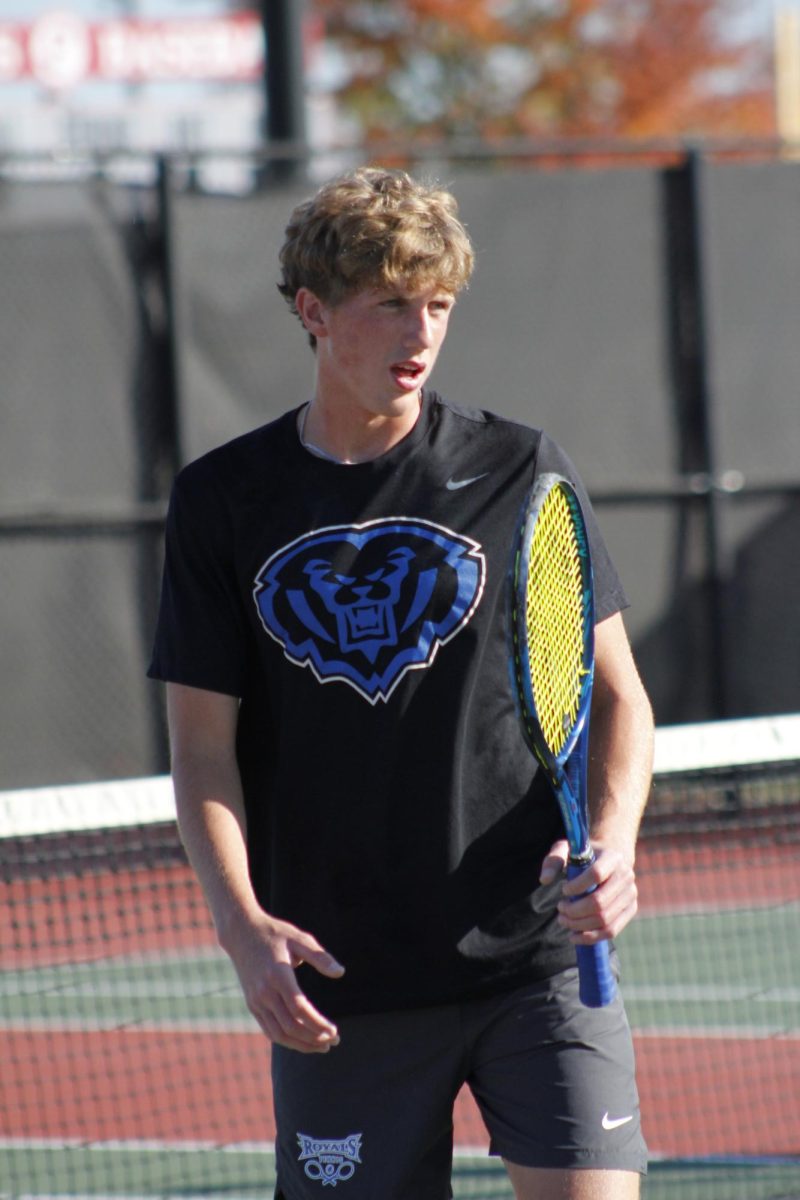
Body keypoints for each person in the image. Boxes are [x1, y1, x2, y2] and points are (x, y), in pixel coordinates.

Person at [148, 166, 654, 1200]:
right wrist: (243, 930)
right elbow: (202, 753)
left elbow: (618, 700)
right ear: (313, 312)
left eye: (435, 305)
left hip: (536, 962)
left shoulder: (521, 469)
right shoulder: (224, 500)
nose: (417, 334)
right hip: (343, 988)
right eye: (387, 304)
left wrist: (613, 842)